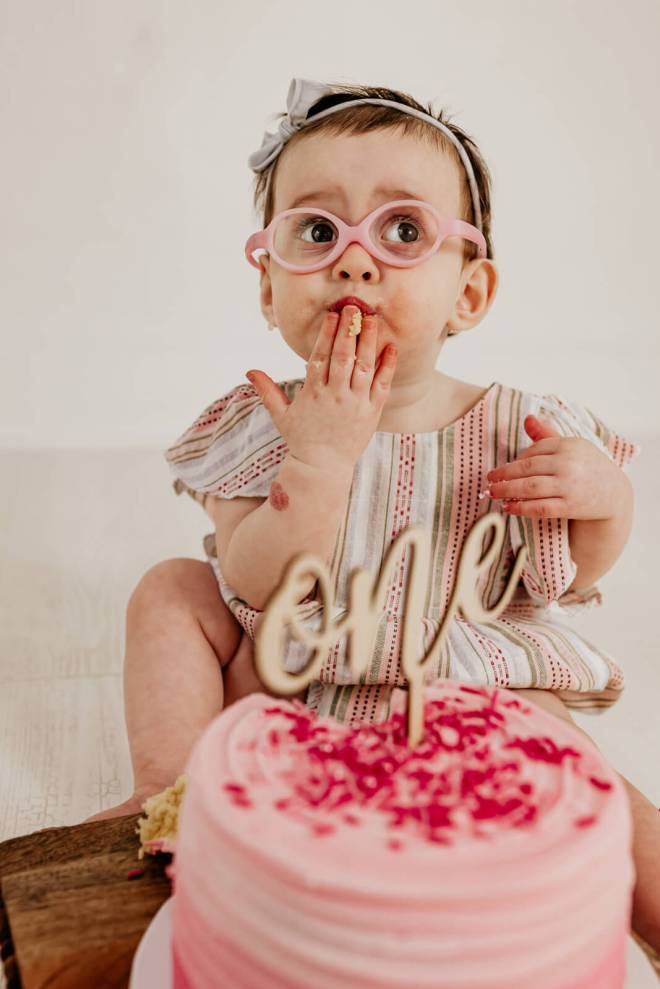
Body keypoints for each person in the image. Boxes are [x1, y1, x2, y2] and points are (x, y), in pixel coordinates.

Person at [85, 77, 660, 964]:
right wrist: (316, 462)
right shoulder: (257, 424)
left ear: (469, 292)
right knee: (172, 590)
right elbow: (253, 581)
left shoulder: (523, 426)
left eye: (403, 231)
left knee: (595, 791)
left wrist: (603, 503)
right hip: (282, 684)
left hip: (472, 692)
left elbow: (568, 576)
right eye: (317, 232)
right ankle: (170, 792)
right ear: (268, 287)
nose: (355, 262)